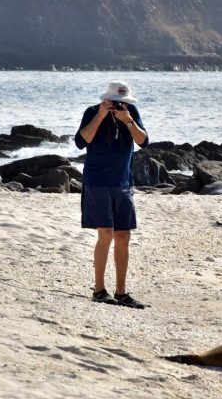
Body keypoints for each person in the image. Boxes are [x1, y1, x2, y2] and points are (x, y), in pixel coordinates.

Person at [74, 81, 149, 308]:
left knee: (123, 236)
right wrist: (100, 115)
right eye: (115, 102)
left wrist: (127, 121)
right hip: (97, 182)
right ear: (105, 99)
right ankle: (98, 290)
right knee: (105, 233)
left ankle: (121, 292)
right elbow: (80, 141)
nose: (118, 105)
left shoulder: (131, 113)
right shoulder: (92, 112)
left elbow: (143, 141)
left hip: (123, 183)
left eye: (122, 102)